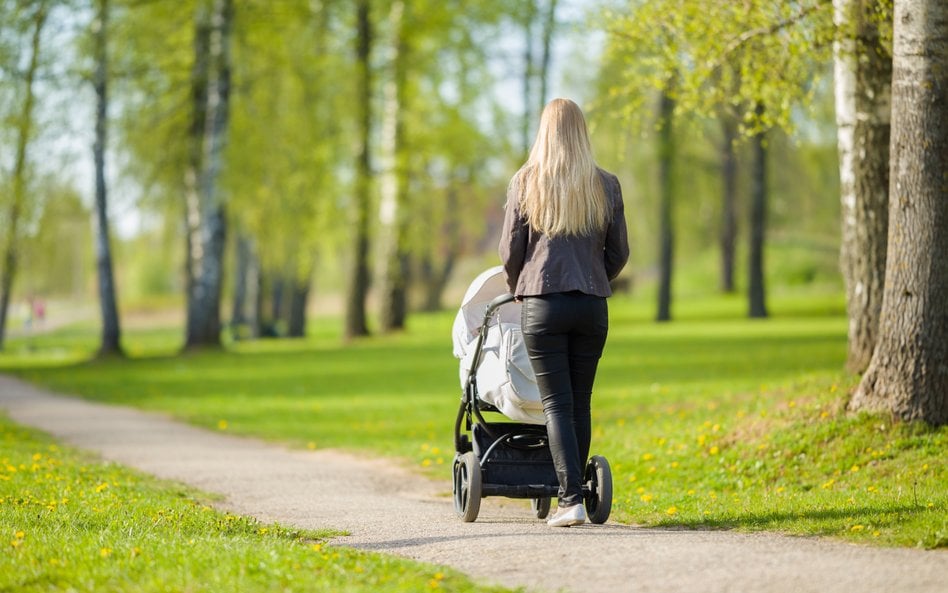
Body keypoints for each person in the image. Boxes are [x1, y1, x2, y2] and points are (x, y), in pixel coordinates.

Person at [499, 98, 629, 527]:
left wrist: (519, 286)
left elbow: (509, 251)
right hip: (591, 305)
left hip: (543, 303)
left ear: (544, 132)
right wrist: (594, 277)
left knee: (556, 404)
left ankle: (570, 498)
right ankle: (578, 495)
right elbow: (619, 253)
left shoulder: (526, 183)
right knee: (581, 402)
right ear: (581, 132)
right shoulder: (605, 184)